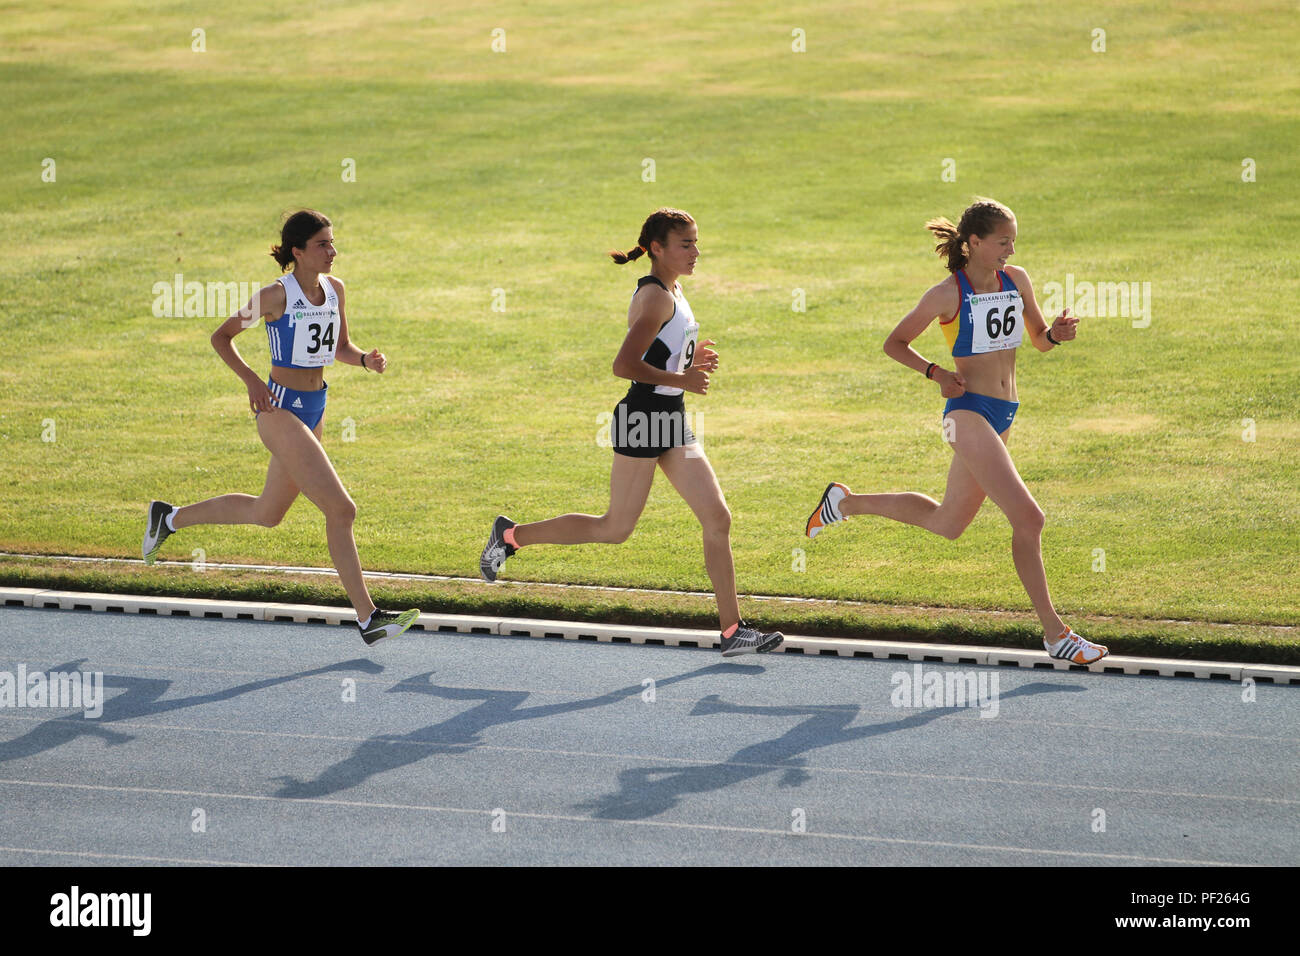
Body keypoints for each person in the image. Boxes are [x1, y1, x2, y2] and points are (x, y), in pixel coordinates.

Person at [805, 198, 1108, 665]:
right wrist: (936, 373)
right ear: (974, 243)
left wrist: (1058, 335)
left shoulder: (1016, 280)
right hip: (966, 413)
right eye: (1002, 241)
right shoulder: (948, 294)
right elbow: (894, 342)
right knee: (1030, 519)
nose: (1010, 249)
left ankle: (842, 503)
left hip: (1005, 412)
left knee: (948, 523)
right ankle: (1056, 635)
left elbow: (1038, 339)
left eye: (1013, 241)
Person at [479, 208, 783, 657]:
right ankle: (511, 536)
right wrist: (684, 379)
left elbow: (659, 359)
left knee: (718, 518)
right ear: (657, 249)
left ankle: (732, 630)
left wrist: (688, 366)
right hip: (643, 418)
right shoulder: (657, 297)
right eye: (686, 244)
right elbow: (624, 365)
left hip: (671, 418)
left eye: (697, 243)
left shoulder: (674, 290)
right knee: (615, 528)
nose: (696, 252)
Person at [141, 210, 420, 646]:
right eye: (322, 244)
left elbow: (340, 347)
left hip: (315, 407)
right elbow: (222, 337)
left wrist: (365, 359)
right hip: (278, 411)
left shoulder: (336, 290)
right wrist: (252, 379)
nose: (333, 251)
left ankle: (168, 518)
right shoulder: (274, 295)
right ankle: (369, 618)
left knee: (266, 514)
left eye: (332, 242)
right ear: (298, 252)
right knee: (342, 510)